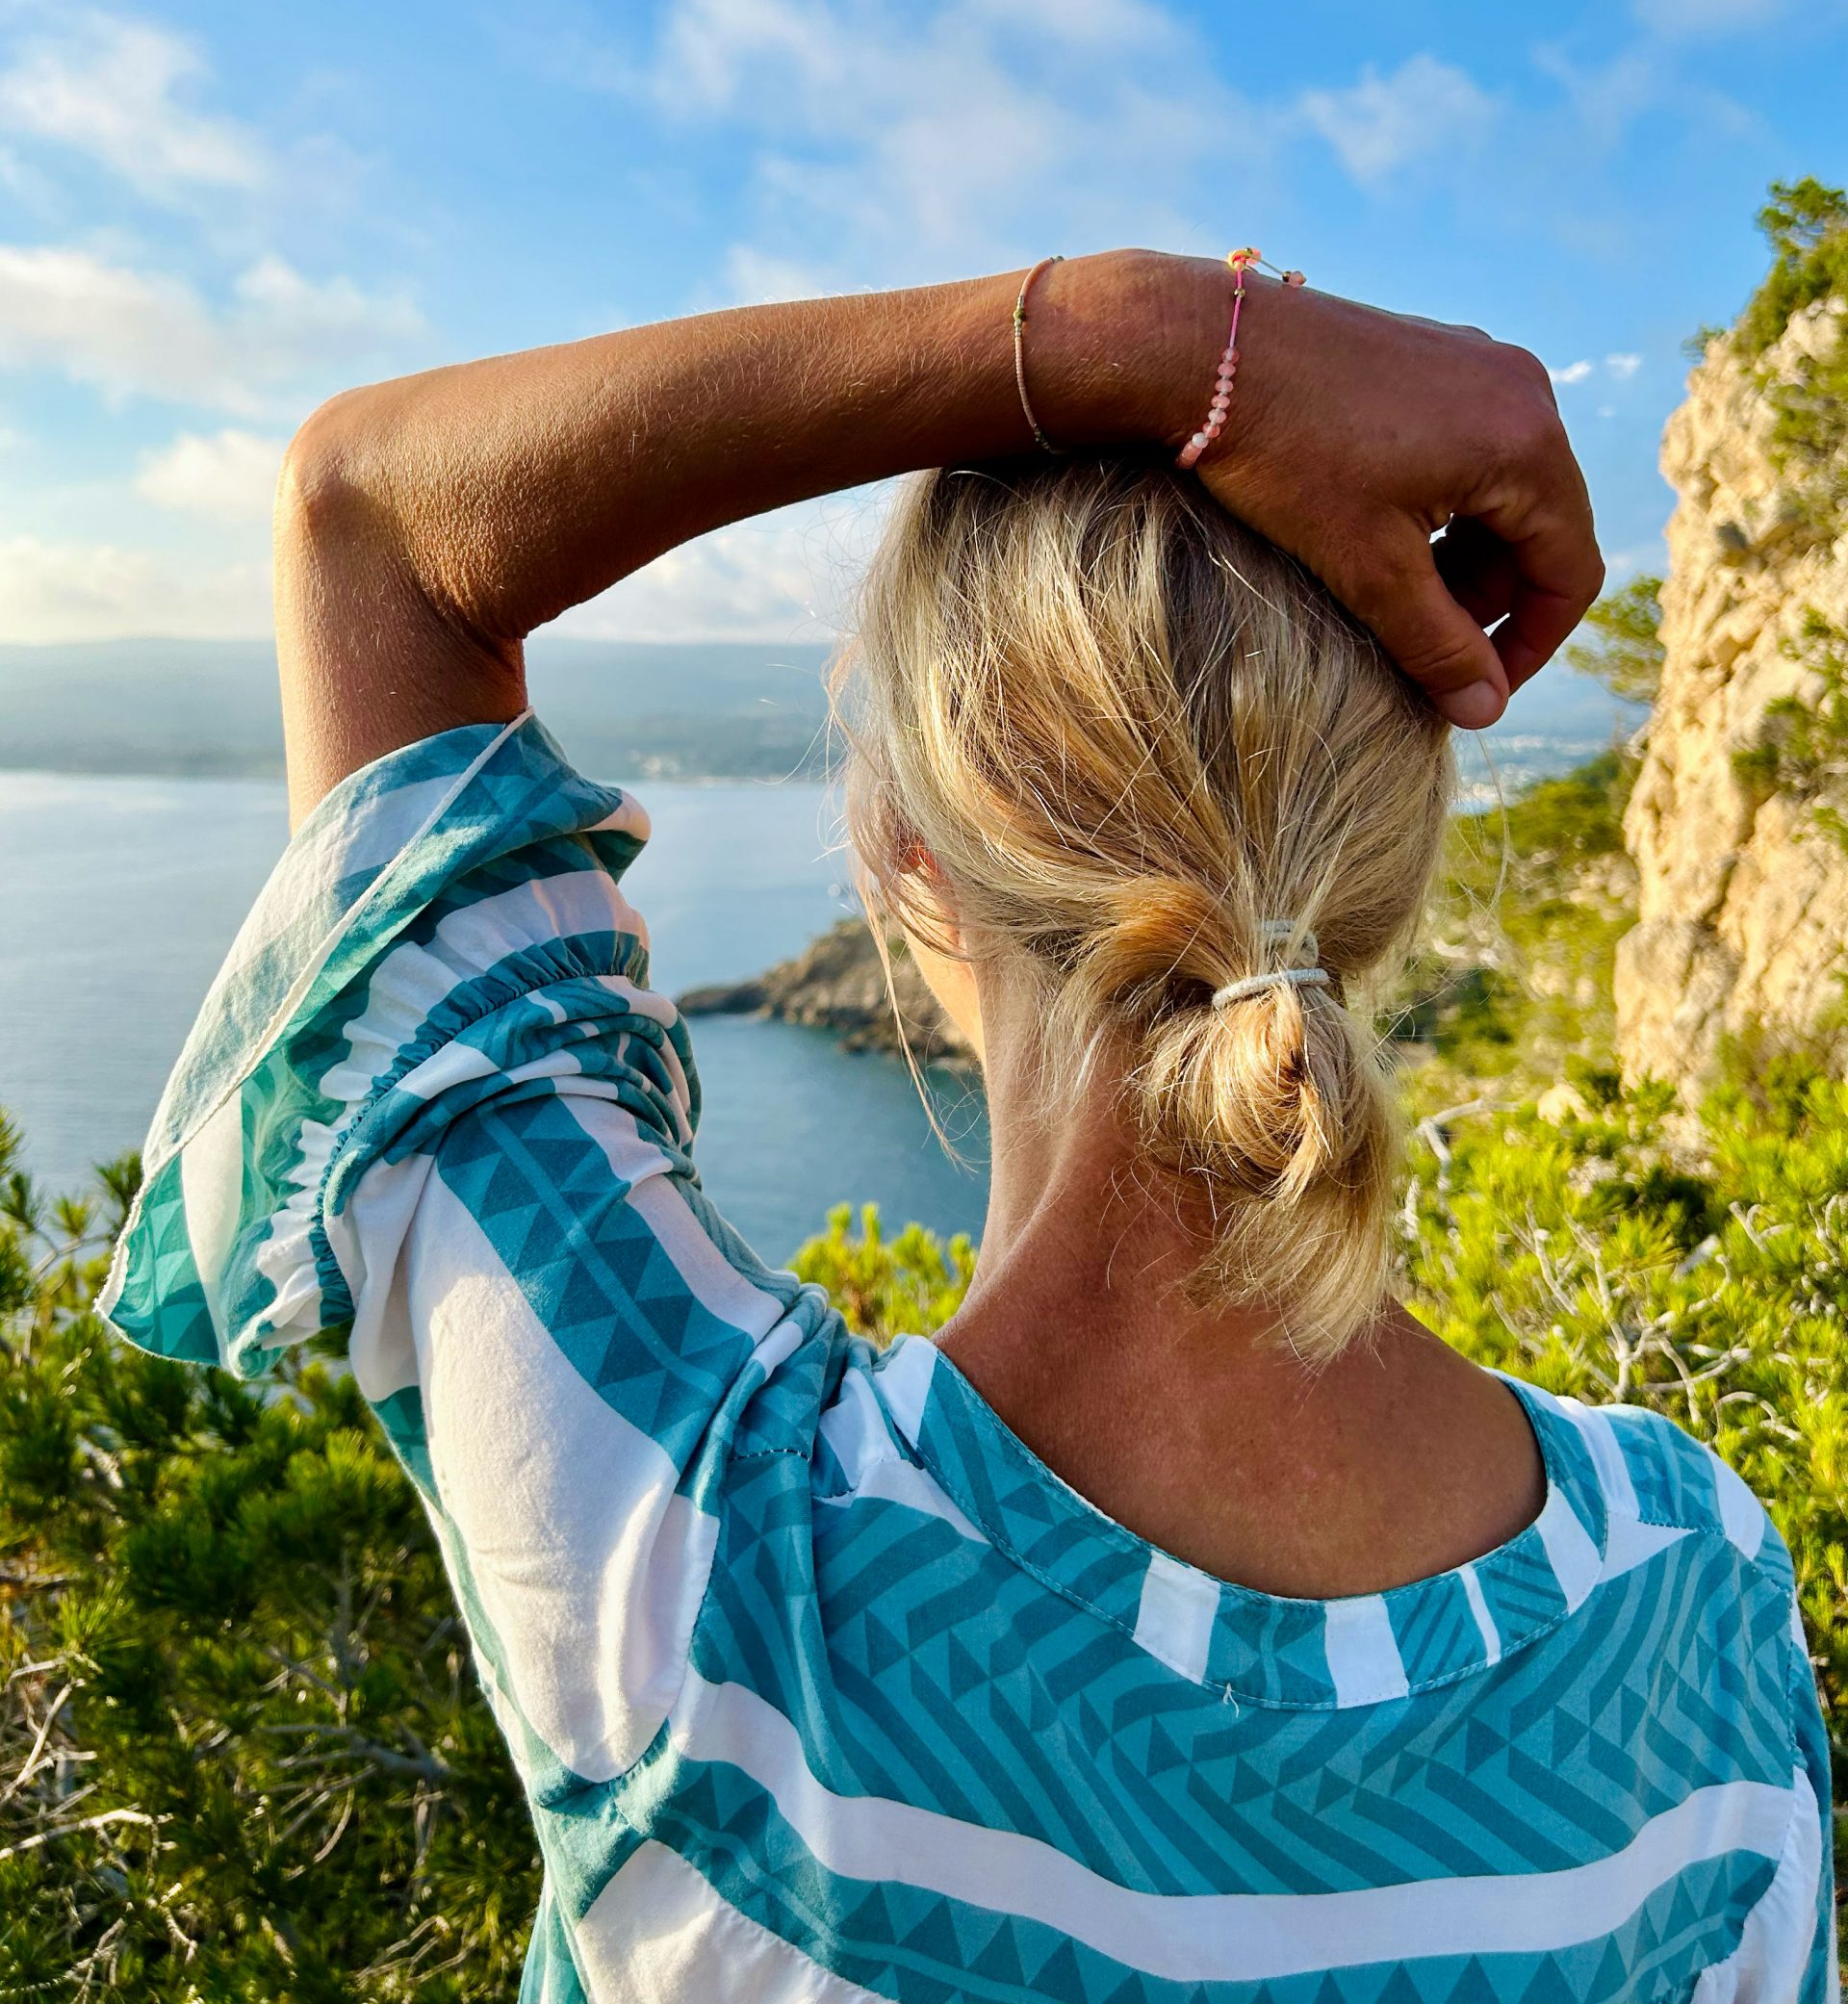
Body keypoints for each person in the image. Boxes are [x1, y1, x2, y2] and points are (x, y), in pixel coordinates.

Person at [100, 249, 1833, 2000]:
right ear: (1380, 853)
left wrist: (1158, 338)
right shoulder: (1701, 1593)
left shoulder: (727, 1589)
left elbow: (369, 526)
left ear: (908, 853)